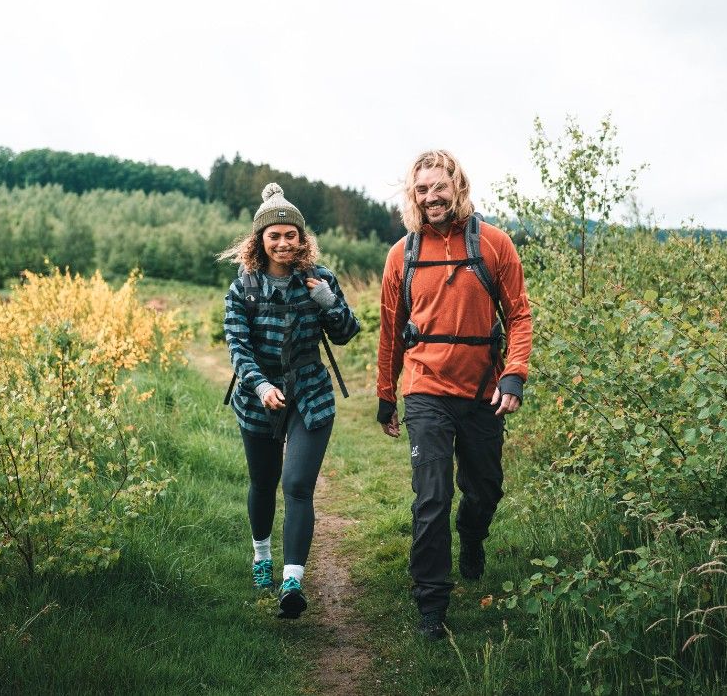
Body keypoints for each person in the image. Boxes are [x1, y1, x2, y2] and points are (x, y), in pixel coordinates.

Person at [376, 150, 532, 639]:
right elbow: (389, 330)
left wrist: (515, 373)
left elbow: (520, 316)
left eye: (438, 187)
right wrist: (386, 393)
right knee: (432, 496)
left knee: (485, 489)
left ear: (457, 185)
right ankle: (431, 606)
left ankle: (473, 536)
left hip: (484, 390)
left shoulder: (494, 244)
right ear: (413, 196)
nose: (430, 197)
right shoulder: (402, 255)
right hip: (425, 391)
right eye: (421, 190)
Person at [221, 182, 360, 619]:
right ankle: (262, 556)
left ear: (302, 239)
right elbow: (238, 347)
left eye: (290, 235)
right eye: (274, 235)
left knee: (298, 485)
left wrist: (327, 300)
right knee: (264, 481)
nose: (283, 242)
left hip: (310, 395)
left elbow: (346, 331)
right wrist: (261, 386)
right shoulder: (242, 288)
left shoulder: (320, 279)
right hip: (257, 396)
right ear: (260, 240)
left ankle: (292, 581)